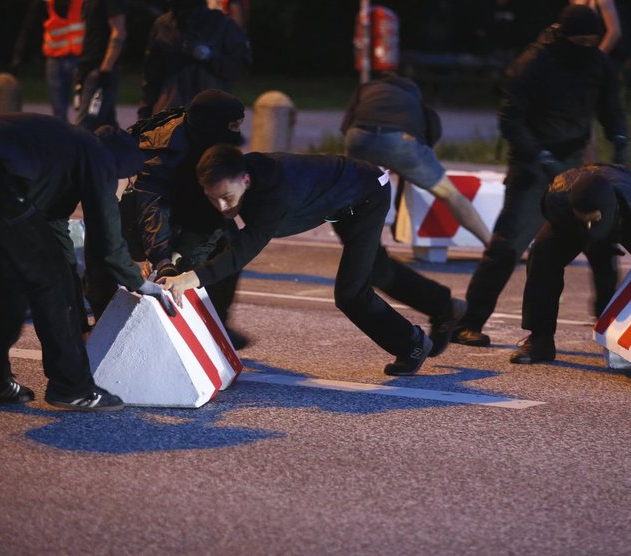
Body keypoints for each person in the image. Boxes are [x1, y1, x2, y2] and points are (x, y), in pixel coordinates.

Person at [0, 114, 176, 411]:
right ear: (119, 164)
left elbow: (51, 228)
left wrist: (75, 314)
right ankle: (72, 387)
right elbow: (106, 233)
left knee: (16, 269)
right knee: (50, 278)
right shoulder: (97, 156)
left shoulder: (63, 152)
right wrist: (137, 282)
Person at [158, 145, 465, 376]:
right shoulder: (233, 181)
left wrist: (189, 279)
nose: (221, 205)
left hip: (366, 194)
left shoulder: (274, 195)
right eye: (213, 197)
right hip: (340, 198)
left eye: (226, 196)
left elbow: (242, 252)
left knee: (351, 293)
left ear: (246, 180)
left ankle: (411, 344)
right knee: (378, 270)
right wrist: (179, 259)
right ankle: (444, 306)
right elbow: (211, 230)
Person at [449, 4, 629, 347]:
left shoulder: (596, 62)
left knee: (603, 245)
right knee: (506, 247)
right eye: (582, 41)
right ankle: (467, 322)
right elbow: (510, 118)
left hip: (576, 164)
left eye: (594, 41)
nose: (588, 48)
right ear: (564, 37)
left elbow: (611, 107)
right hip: (533, 167)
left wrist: (619, 138)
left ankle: (611, 329)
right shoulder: (535, 63)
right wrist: (539, 154)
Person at [86, 90, 247, 342]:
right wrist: (164, 259)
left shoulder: (212, 140)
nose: (237, 134)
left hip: (186, 212)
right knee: (107, 248)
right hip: (140, 217)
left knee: (230, 243)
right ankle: (104, 323)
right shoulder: (163, 149)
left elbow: (213, 214)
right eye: (233, 126)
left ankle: (213, 323)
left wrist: (183, 256)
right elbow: (151, 206)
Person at [510, 164, 631, 364]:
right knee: (541, 255)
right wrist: (587, 234)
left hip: (620, 209)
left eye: (595, 221)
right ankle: (540, 340)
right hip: (571, 220)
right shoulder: (555, 201)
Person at [341, 70, 491, 246]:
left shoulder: (367, 88)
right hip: (400, 142)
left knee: (356, 193)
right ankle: (492, 246)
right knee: (451, 195)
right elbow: (429, 136)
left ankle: (363, 248)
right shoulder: (413, 97)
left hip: (359, 136)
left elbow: (346, 126)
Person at [137, 0, 251, 118]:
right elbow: (151, 74)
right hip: (169, 114)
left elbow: (239, 64)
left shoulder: (221, 24)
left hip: (209, 113)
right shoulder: (164, 25)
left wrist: (209, 56)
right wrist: (145, 109)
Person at [11, 0, 86, 122]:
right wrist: (18, 56)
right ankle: (63, 145)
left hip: (80, 60)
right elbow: (28, 28)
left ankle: (84, 144)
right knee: (58, 112)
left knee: (84, 110)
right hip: (55, 61)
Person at [75, 0, 127, 130]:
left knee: (85, 124)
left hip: (100, 67)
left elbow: (118, 30)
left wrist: (106, 68)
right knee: (104, 123)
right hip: (89, 64)